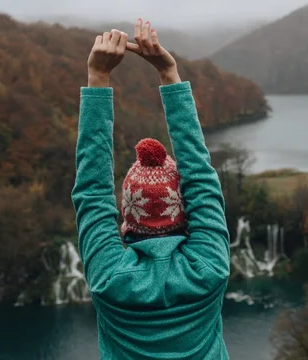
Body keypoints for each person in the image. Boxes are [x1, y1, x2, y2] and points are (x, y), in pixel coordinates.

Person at [71, 18, 231, 360]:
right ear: (184, 210)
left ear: (128, 214)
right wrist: (168, 74)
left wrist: (97, 78)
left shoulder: (110, 277)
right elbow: (201, 176)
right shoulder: (210, 266)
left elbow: (92, 190)